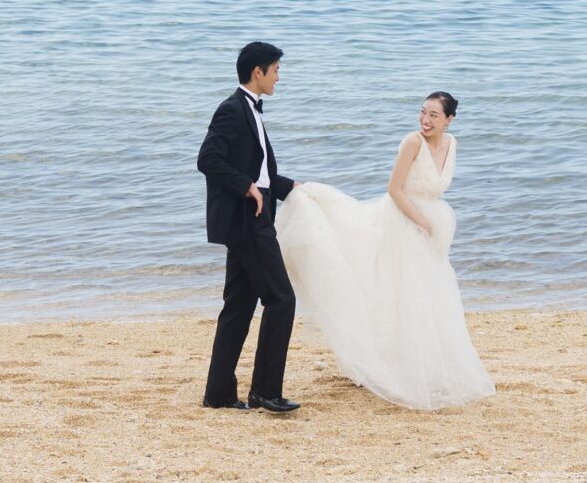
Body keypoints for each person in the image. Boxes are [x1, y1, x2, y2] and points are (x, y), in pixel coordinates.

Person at [272, 91, 495, 409]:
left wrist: (432, 225)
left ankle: (427, 366)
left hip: (431, 229)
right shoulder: (412, 142)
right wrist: (420, 221)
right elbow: (394, 189)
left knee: (432, 296)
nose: (425, 120)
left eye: (433, 115)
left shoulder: (452, 144)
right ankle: (393, 367)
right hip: (402, 224)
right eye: (423, 112)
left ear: (449, 119)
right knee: (402, 293)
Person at [197, 41, 299, 413]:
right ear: (258, 72)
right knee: (282, 300)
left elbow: (261, 173)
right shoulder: (231, 110)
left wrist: (291, 189)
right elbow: (208, 159)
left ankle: (219, 394)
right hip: (250, 221)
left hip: (249, 220)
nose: (278, 77)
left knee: (239, 306)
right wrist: (246, 187)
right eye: (275, 70)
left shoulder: (249, 110)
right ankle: (265, 392)